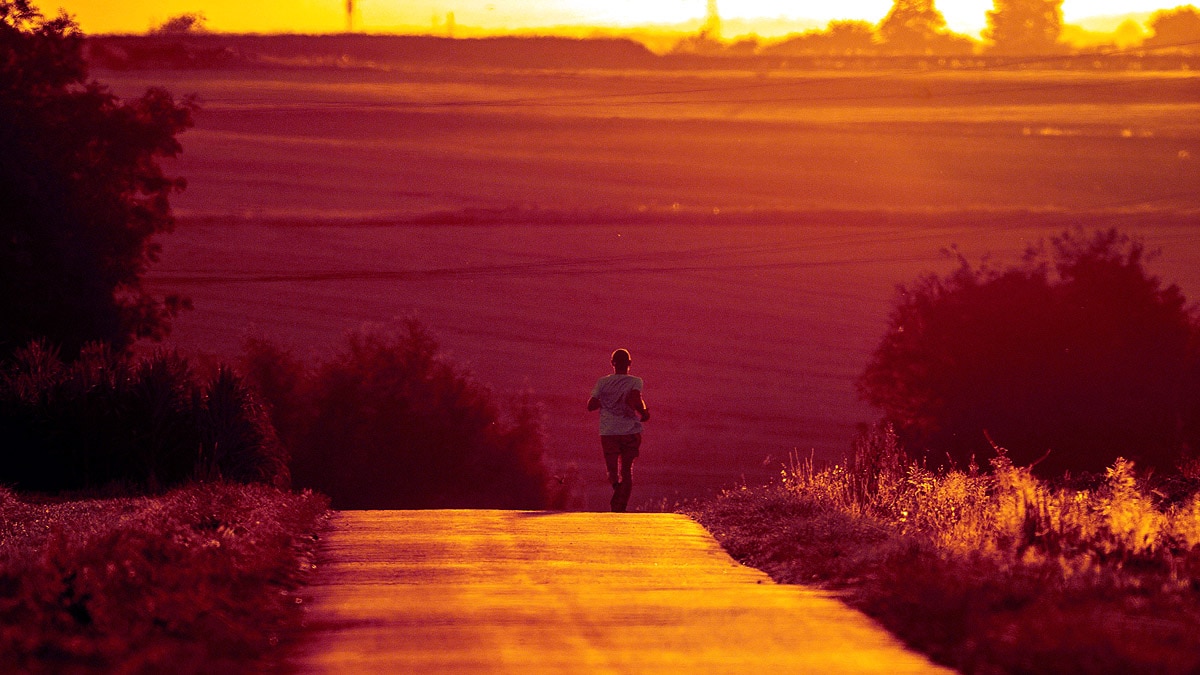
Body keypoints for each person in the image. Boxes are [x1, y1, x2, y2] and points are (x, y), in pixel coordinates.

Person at [587, 349, 649, 512]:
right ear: (629, 364)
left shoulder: (602, 383)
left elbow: (590, 405)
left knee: (612, 471)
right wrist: (644, 412)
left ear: (612, 363)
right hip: (629, 431)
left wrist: (606, 402)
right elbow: (636, 399)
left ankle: (617, 491)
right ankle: (621, 504)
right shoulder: (636, 381)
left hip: (608, 432)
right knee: (627, 470)